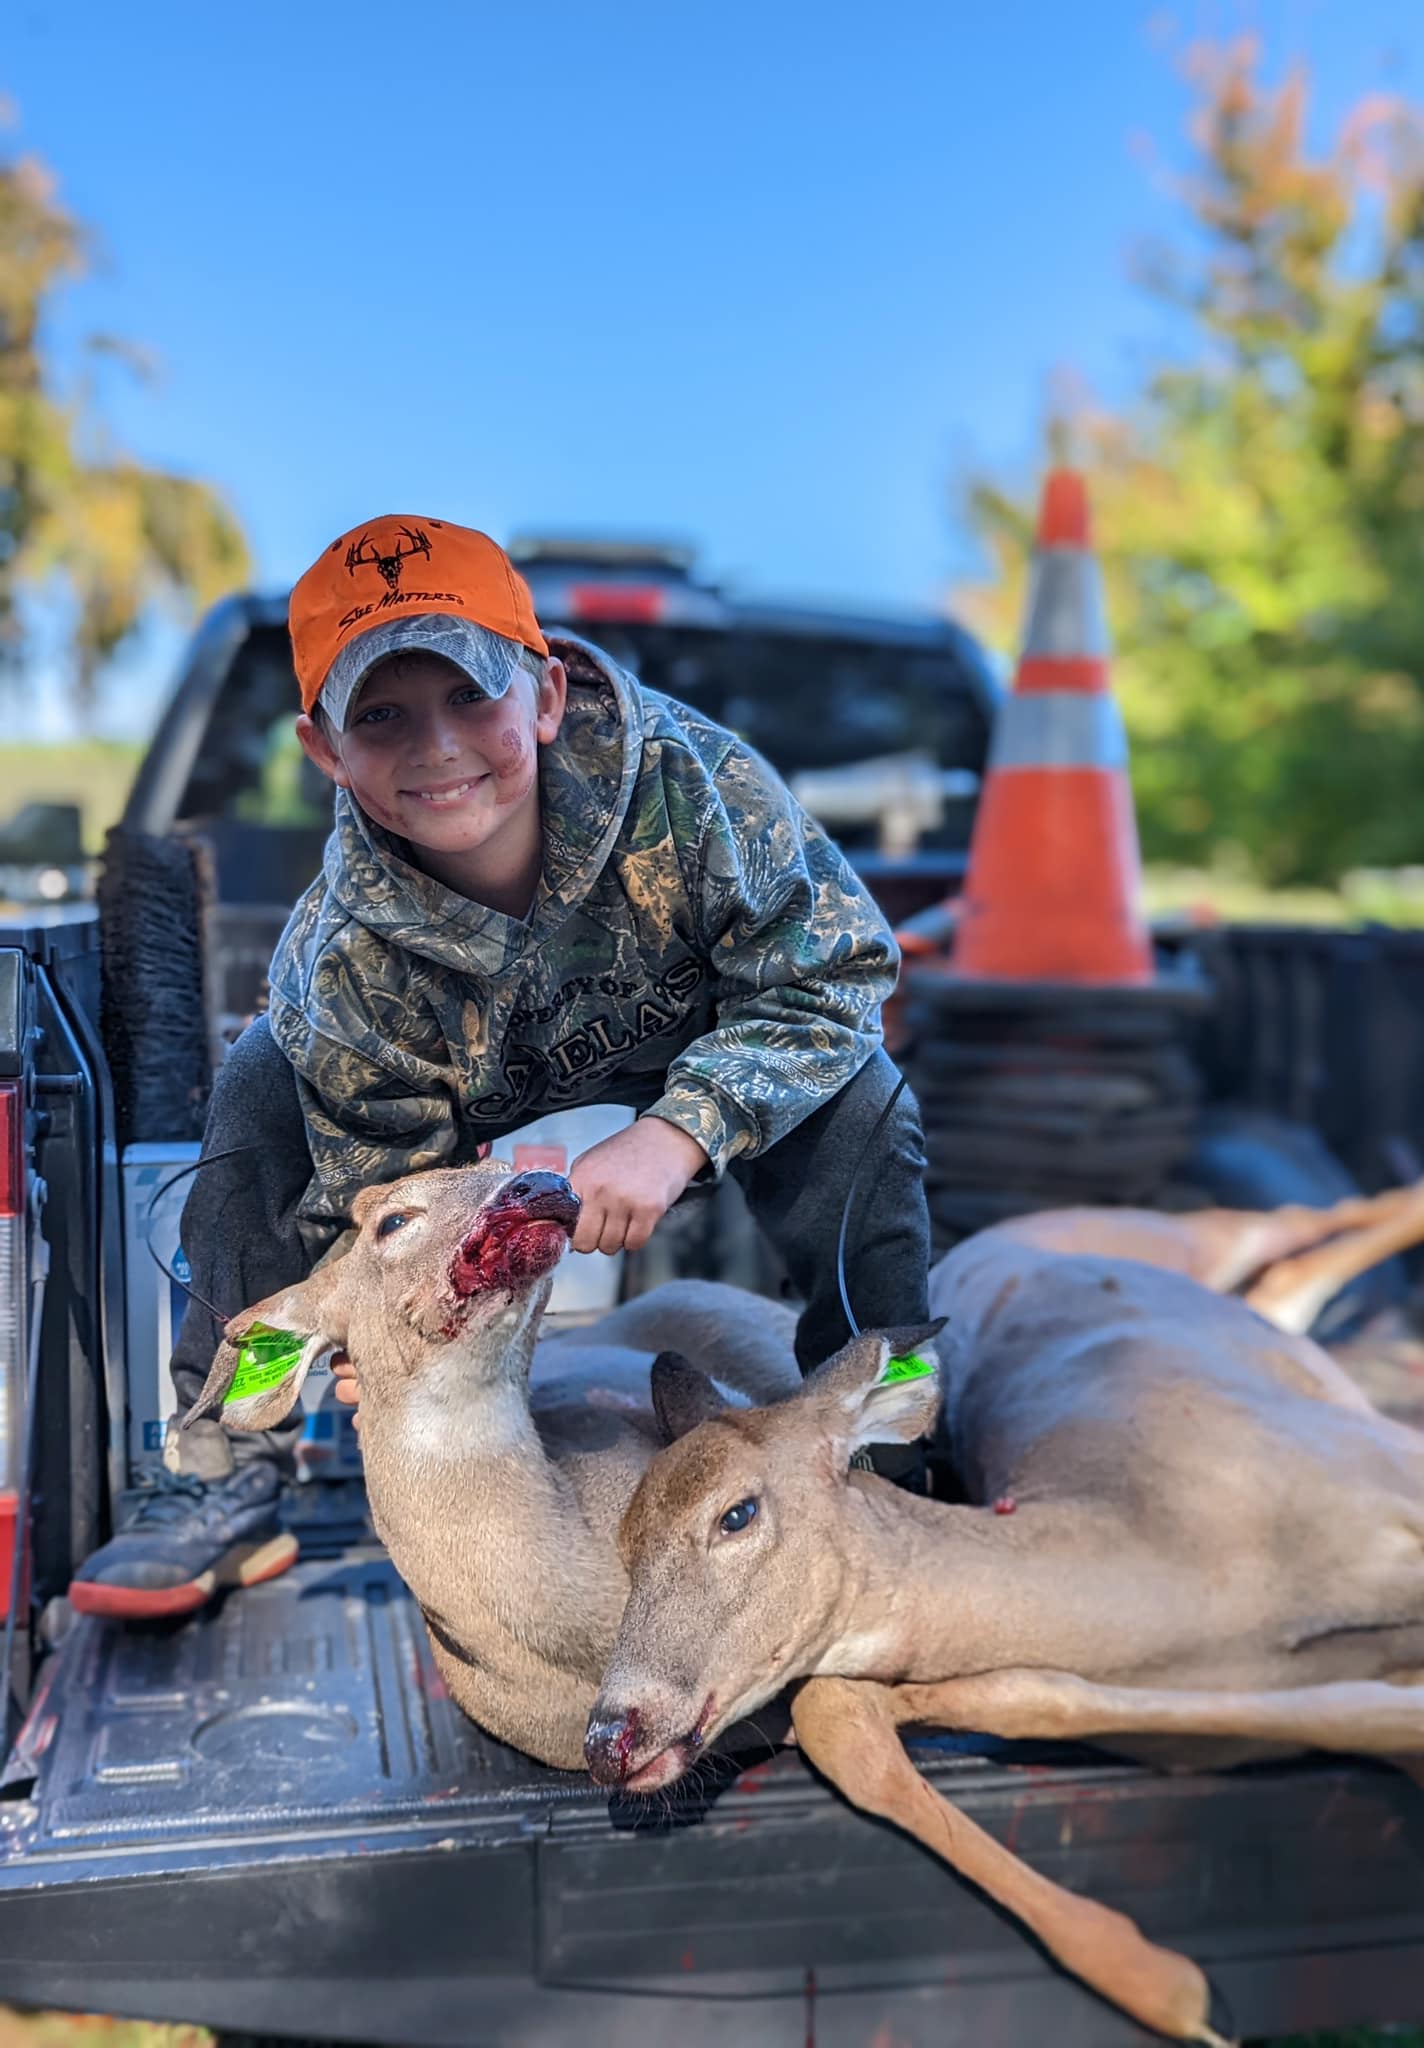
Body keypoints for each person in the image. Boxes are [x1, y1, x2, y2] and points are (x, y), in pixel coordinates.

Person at [69, 514, 932, 1619]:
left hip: (702, 1044)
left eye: (471, 695)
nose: (437, 745)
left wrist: (679, 1130)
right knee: (258, 1083)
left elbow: (841, 973)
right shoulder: (345, 957)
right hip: (454, 1091)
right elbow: (377, 1190)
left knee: (868, 1104)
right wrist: (386, 1320)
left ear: (548, 693)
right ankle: (218, 1466)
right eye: (381, 715)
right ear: (325, 751)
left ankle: (896, 1448)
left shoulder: (693, 785)